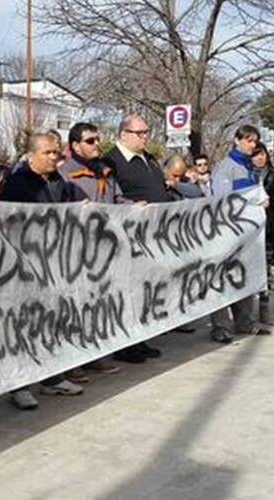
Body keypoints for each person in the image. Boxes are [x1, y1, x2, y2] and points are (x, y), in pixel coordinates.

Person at [0, 132, 86, 410]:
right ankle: (20, 386)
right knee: (24, 326)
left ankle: (52, 378)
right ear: (32, 154)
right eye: (48, 153)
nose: (54, 158)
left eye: (57, 153)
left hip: (54, 263)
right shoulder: (17, 183)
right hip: (25, 265)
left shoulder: (58, 181)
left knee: (51, 322)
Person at [103, 114, 163, 361]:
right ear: (124, 134)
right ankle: (123, 345)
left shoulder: (149, 160)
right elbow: (111, 198)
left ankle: (139, 338)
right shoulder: (111, 162)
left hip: (152, 236)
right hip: (126, 237)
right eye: (140, 133)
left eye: (146, 132)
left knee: (142, 290)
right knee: (125, 291)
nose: (145, 137)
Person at [209, 124, 271, 343]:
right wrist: (254, 200)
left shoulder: (251, 169)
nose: (252, 145)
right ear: (237, 140)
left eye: (255, 141)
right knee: (221, 280)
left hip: (247, 235)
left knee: (244, 276)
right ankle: (221, 327)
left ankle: (245, 322)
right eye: (248, 140)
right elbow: (224, 200)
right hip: (227, 232)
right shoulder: (226, 167)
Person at [252, 143, 274, 324]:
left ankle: (264, 310)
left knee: (267, 268)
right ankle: (246, 315)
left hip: (269, 227)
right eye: (256, 155)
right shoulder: (245, 174)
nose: (259, 158)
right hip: (249, 229)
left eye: (262, 154)